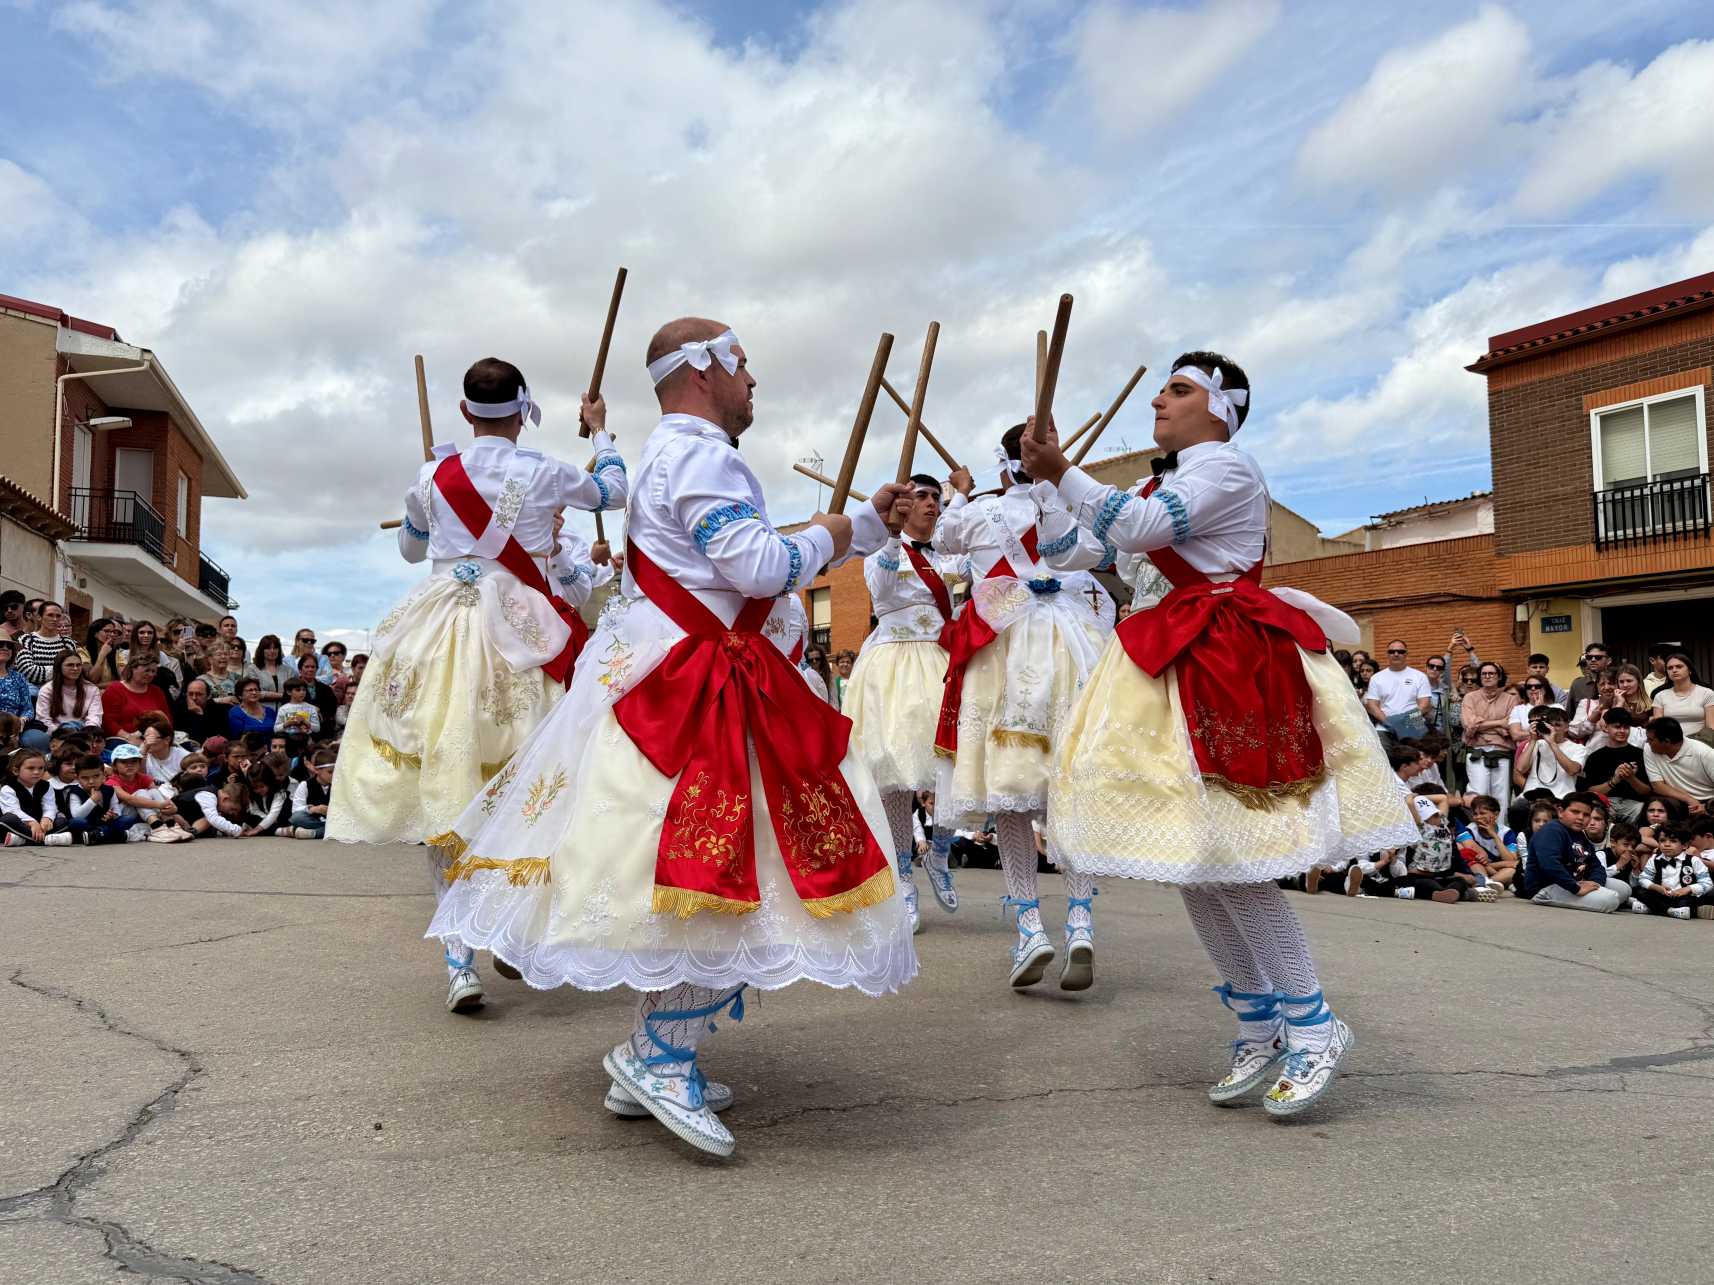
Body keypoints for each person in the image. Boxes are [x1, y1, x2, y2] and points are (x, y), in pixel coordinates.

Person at [426, 318, 915, 1157]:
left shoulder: (676, 451)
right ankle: (656, 1054)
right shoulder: (700, 455)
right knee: (723, 870)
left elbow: (737, 562)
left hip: (681, 673)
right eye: (743, 364)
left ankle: (658, 1050)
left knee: (703, 869)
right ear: (703, 369)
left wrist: (863, 525)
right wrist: (837, 535)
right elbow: (759, 568)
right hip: (702, 688)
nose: (752, 379)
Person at [1021, 350, 1416, 1116]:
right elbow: (1075, 551)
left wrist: (1065, 468)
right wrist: (1045, 484)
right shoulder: (1164, 481)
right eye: (1163, 390)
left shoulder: (1226, 469)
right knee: (1195, 863)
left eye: (1177, 390)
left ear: (1222, 408)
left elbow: (1138, 527)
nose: (1159, 404)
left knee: (1236, 857)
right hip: (1168, 665)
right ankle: (1259, 1023)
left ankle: (1314, 1022)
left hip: (1224, 663)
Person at [328, 354, 629, 1017]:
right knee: (530, 787)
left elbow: (411, 550)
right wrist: (600, 429)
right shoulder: (544, 470)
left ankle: (459, 958)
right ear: (523, 411)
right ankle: (515, 931)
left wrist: (429, 505)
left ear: (465, 412)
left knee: (445, 787)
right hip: (520, 629)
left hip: (438, 626)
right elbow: (613, 491)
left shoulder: (434, 475)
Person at [935, 422, 1107, 990]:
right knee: (1071, 786)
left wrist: (962, 488)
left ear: (1003, 463)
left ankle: (1031, 925)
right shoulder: (1073, 508)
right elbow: (1102, 555)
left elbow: (942, 538)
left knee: (1008, 795)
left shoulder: (981, 514)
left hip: (1005, 646)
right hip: (1071, 645)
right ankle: (1080, 917)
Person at [841, 472, 964, 933]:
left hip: (939, 660)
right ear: (904, 506)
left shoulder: (951, 554)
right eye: (921, 496)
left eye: (935, 497)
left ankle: (941, 851)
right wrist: (891, 537)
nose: (931, 504)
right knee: (894, 780)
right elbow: (884, 592)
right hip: (893, 665)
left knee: (957, 767)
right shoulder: (882, 552)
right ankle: (904, 880)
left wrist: (966, 496)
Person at [1518, 792, 1621, 911]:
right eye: (1575, 812)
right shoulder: (1551, 830)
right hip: (1546, 887)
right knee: (1611, 900)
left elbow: (1596, 866)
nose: (1581, 818)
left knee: (1623, 889)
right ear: (1560, 812)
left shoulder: (1579, 835)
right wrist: (1576, 888)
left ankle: (1595, 897)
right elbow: (1549, 864)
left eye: (1586, 814)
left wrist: (1594, 883)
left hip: (1574, 882)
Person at [1460, 661, 1518, 812]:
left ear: (1499, 677)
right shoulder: (1470, 698)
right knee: (1478, 793)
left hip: (1502, 751)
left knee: (1501, 796)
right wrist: (1499, 723)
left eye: (1491, 673)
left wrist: (1481, 724)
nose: (1487, 676)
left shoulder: (1510, 699)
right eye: (1484, 674)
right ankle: (1480, 830)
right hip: (1477, 750)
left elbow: (1509, 729)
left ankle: (1501, 831)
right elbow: (1469, 726)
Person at [1578, 707, 1649, 822]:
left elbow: (1646, 791)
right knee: (1596, 813)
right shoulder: (1595, 757)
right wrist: (1615, 780)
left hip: (1634, 804)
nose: (1622, 731)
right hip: (1605, 802)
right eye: (1617, 727)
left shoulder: (1640, 754)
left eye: (1626, 727)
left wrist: (1631, 778)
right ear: (1606, 727)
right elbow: (1590, 792)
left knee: (1643, 811)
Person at [1628, 826, 1713, 919]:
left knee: (1690, 901)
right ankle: (1670, 911)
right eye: (1662, 840)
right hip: (1660, 895)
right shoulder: (1654, 859)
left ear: (1684, 845)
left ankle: (1652, 908)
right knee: (1641, 892)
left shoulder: (1694, 860)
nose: (1667, 844)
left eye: (1673, 841)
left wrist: (1687, 889)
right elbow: (1643, 878)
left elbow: (1707, 883)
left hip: (1682, 896)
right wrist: (1656, 887)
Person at [0, 747, 72, 845]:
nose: (36, 772)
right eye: (31, 768)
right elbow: (13, 810)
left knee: (61, 821)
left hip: (40, 824)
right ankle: (46, 840)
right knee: (7, 819)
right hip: (22, 825)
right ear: (16, 771)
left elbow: (50, 806)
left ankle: (24, 840)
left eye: (41, 768)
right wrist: (32, 822)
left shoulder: (46, 786)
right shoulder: (8, 788)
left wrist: (47, 818)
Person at [1513, 706, 1586, 800]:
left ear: (1567, 727)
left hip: (1561, 797)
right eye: (1550, 725)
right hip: (1532, 795)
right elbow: (1520, 769)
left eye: (1557, 725)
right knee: (1517, 809)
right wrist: (1532, 740)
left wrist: (1552, 743)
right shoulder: (1536, 744)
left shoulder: (1578, 748)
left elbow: (1572, 770)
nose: (1553, 728)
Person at [1642, 717, 1714, 811]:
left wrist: (1705, 807)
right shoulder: (1649, 749)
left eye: (1651, 739)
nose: (1647, 742)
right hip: (1680, 799)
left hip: (1709, 800)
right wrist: (1689, 800)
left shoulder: (1704, 753)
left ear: (1666, 742)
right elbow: (1658, 786)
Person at [102, 655, 174, 741]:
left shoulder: (157, 691)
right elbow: (108, 723)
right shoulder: (114, 689)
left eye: (153, 671)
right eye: (147, 670)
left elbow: (168, 719)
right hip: (123, 740)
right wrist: (129, 738)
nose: (151, 674)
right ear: (133, 668)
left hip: (155, 739)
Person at [1455, 794, 1518, 890]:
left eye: (1482, 813)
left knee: (1512, 870)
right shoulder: (1469, 830)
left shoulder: (1506, 833)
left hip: (1497, 871)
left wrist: (1494, 836)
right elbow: (1469, 859)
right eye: (1475, 814)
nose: (1478, 817)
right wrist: (1502, 864)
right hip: (1477, 869)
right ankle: (1492, 883)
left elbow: (1511, 860)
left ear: (1496, 814)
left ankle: (1487, 883)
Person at [1650, 652, 1714, 739]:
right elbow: (1659, 728)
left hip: (1700, 743)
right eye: (1670, 668)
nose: (1674, 670)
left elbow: (1710, 727)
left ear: (1690, 670)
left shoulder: (1707, 693)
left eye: (1679, 666)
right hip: (1669, 743)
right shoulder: (1660, 696)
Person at [36, 651, 103, 733]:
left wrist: (86, 734)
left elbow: (95, 718)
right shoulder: (47, 690)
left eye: (78, 665)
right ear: (59, 667)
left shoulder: (92, 689)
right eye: (70, 665)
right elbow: (44, 720)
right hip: (56, 733)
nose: (75, 668)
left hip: (83, 733)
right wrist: (62, 734)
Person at [14, 602, 79, 686]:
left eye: (58, 616)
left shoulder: (68, 643)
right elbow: (27, 672)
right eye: (50, 615)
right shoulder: (26, 640)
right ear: (39, 617)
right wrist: (61, 670)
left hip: (60, 692)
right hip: (32, 694)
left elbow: (73, 672)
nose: (55, 619)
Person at [289, 750, 335, 839]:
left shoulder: (339, 786)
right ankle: (325, 831)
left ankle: (314, 833)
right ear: (317, 770)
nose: (334, 775)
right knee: (296, 817)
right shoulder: (305, 785)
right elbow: (295, 810)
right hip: (314, 819)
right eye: (330, 772)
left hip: (333, 820)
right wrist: (313, 809)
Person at [173, 679, 224, 746]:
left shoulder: (218, 710)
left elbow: (216, 737)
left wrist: (199, 714)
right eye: (190, 694)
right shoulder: (179, 707)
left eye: (199, 694)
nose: (194, 698)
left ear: (208, 696)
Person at [1563, 642, 1610, 714]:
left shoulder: (1617, 681)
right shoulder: (1577, 684)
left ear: (1608, 661)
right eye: (1589, 657)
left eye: (1598, 657)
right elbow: (1569, 715)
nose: (1593, 660)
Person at [197, 640, 241, 706]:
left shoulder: (237, 678)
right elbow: (197, 701)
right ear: (210, 659)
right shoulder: (201, 680)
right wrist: (220, 700)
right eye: (219, 654)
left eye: (226, 654)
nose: (223, 657)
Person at [249, 635, 292, 703]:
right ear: (262, 650)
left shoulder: (288, 670)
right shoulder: (253, 669)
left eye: (275, 648)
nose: (272, 651)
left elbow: (292, 692)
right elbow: (257, 693)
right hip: (262, 710)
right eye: (268, 648)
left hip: (285, 710)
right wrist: (283, 696)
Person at [0, 638, 33, 722]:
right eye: (0, 645)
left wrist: (21, 721)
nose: (5, 648)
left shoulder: (18, 677)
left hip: (15, 726)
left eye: (9, 646)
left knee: (39, 735)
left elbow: (28, 709)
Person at [84, 618, 122, 687]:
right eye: (107, 631)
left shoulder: (118, 653)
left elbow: (123, 681)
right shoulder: (83, 652)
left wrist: (98, 685)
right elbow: (92, 680)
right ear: (95, 633)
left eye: (113, 632)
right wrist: (102, 655)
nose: (111, 634)